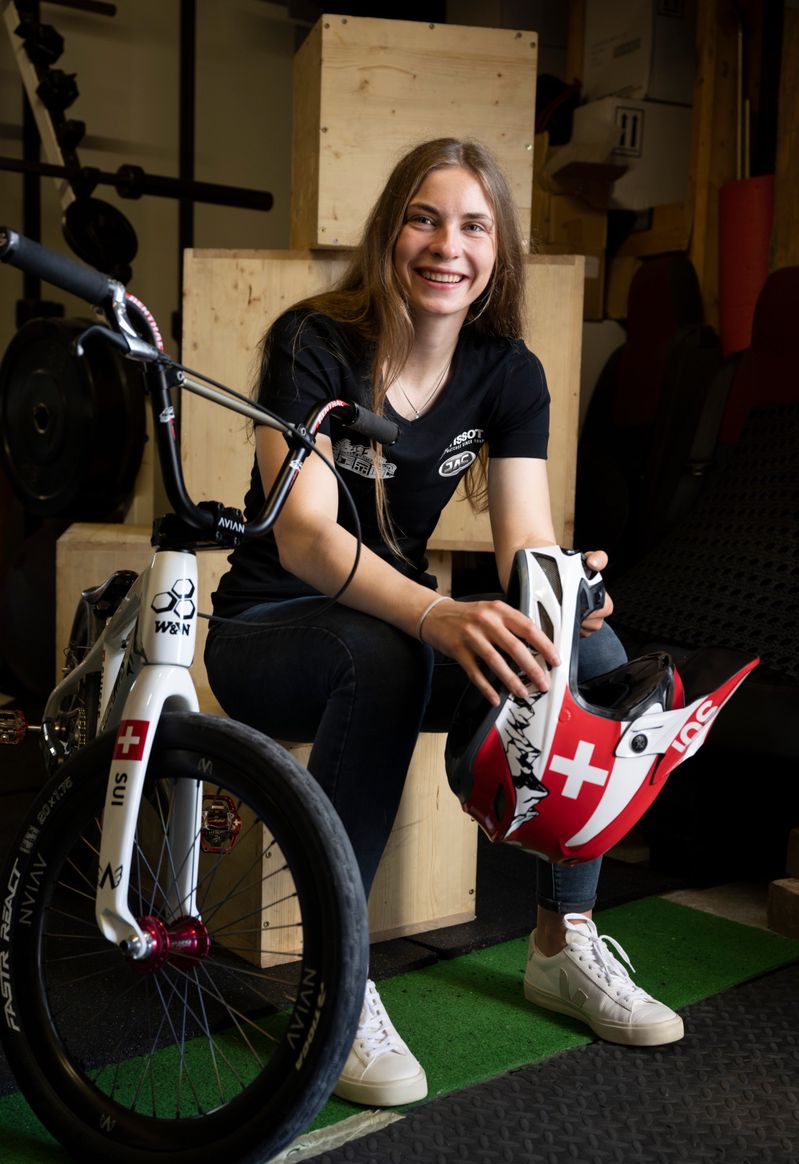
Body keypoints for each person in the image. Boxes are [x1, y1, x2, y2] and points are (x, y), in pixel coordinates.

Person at [205, 137, 684, 1109]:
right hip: (273, 630)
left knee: (585, 649)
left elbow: (523, 543)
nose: (446, 245)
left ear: (497, 253)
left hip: (397, 626)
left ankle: (564, 941)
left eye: (473, 225)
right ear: (390, 230)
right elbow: (301, 538)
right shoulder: (312, 342)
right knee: (380, 657)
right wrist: (433, 611)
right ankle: (334, 983)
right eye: (424, 217)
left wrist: (563, 588)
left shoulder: (508, 372)